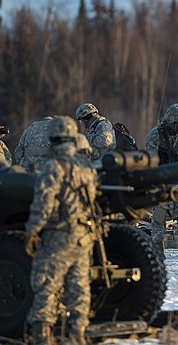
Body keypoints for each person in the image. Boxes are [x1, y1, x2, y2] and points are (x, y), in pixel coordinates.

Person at [24, 116, 99, 345]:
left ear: (54, 138)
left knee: (47, 286)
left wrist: (32, 232)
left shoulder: (53, 167)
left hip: (58, 236)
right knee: (79, 290)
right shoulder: (86, 167)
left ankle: (42, 338)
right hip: (84, 236)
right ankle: (77, 336)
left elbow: (43, 204)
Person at [145, 103, 178, 260]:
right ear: (170, 121)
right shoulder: (155, 135)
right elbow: (150, 162)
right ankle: (158, 255)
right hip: (161, 184)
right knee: (158, 219)